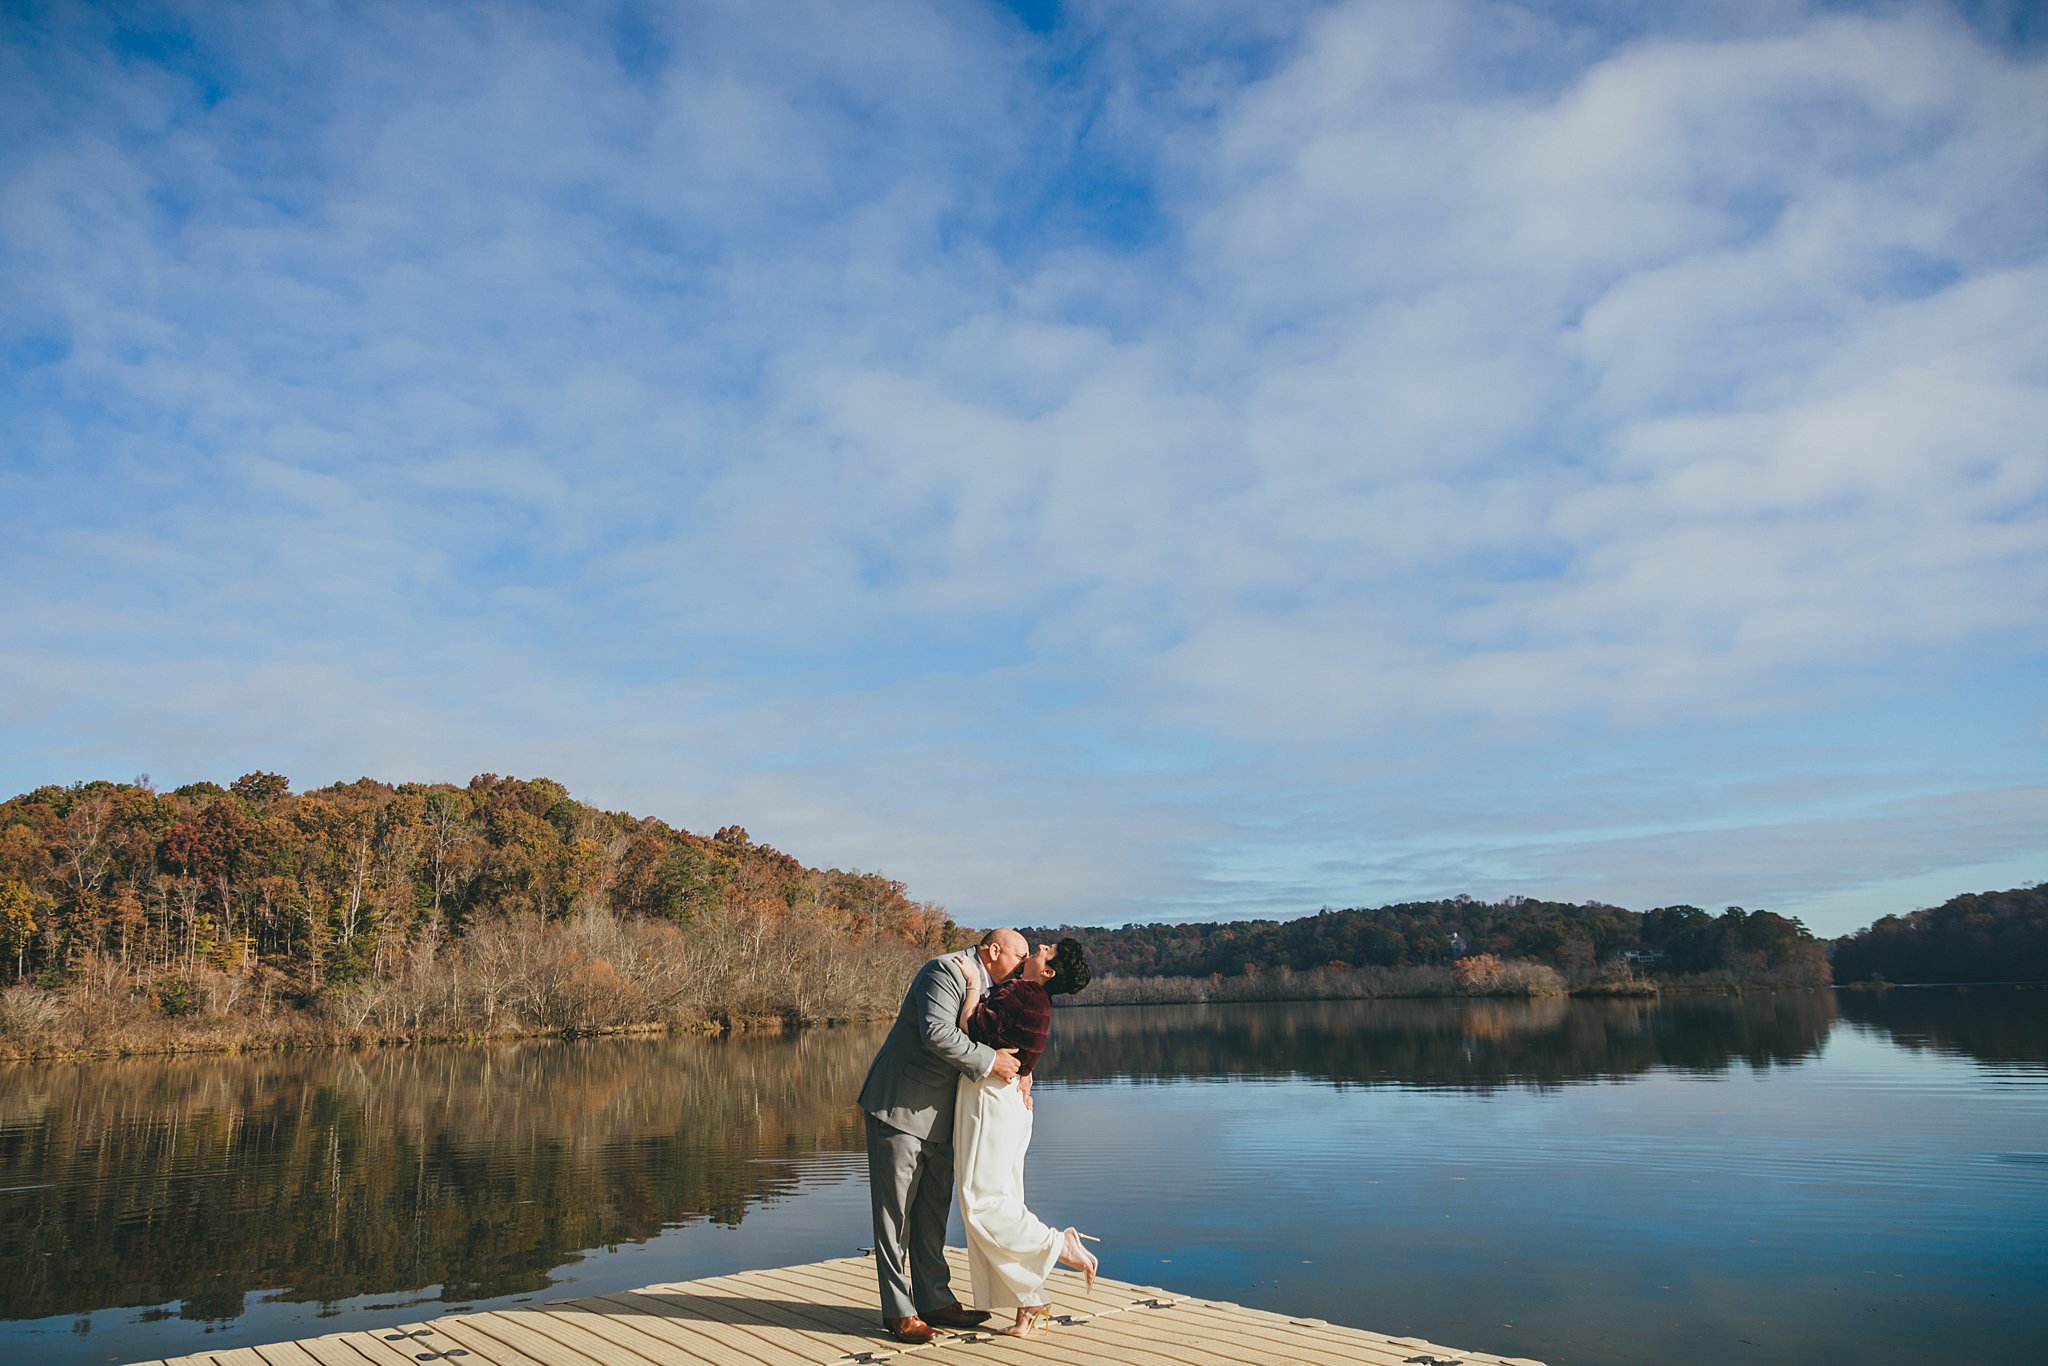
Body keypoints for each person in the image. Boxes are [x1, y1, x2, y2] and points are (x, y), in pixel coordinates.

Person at [858, 929, 1029, 1344]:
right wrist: (991, 1063)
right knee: (894, 1217)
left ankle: (935, 1300)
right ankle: (899, 1312)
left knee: (933, 1214)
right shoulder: (945, 971)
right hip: (899, 1107)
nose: (1024, 966)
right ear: (994, 951)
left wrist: (1023, 1072)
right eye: (1020, 956)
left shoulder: (993, 990)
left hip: (943, 1118)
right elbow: (935, 1032)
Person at [952, 937, 1099, 1337]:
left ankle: (1060, 1245)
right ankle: (1028, 1301)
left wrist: (969, 987)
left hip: (990, 1100)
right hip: (1010, 1104)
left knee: (981, 1201)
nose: (1039, 946)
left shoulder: (1023, 992)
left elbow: (971, 1028)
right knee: (1004, 1199)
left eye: (1046, 950)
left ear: (1047, 971)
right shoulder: (1036, 1000)